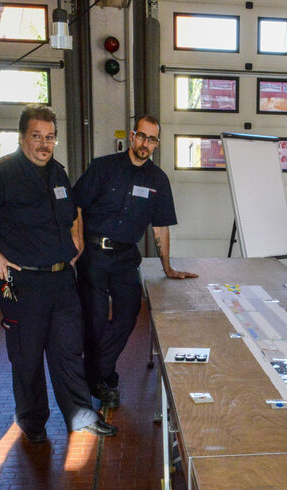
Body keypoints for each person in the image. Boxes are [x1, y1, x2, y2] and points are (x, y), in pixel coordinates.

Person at [0, 104, 117, 442]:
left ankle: (80, 415)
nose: (44, 144)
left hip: (60, 279)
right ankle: (32, 421)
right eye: (37, 137)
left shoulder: (57, 172)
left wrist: (76, 244)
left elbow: (73, 213)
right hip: (22, 281)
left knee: (68, 350)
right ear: (22, 137)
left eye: (50, 137)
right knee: (27, 355)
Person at [72, 115, 196, 408]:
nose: (145, 144)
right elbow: (76, 204)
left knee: (128, 316)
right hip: (94, 255)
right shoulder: (103, 167)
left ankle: (94, 373)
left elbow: (161, 226)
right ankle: (103, 379)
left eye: (152, 139)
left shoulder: (158, 180)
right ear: (132, 135)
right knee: (95, 319)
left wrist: (167, 266)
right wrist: (76, 242)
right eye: (142, 136)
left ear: (157, 143)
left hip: (126, 258)